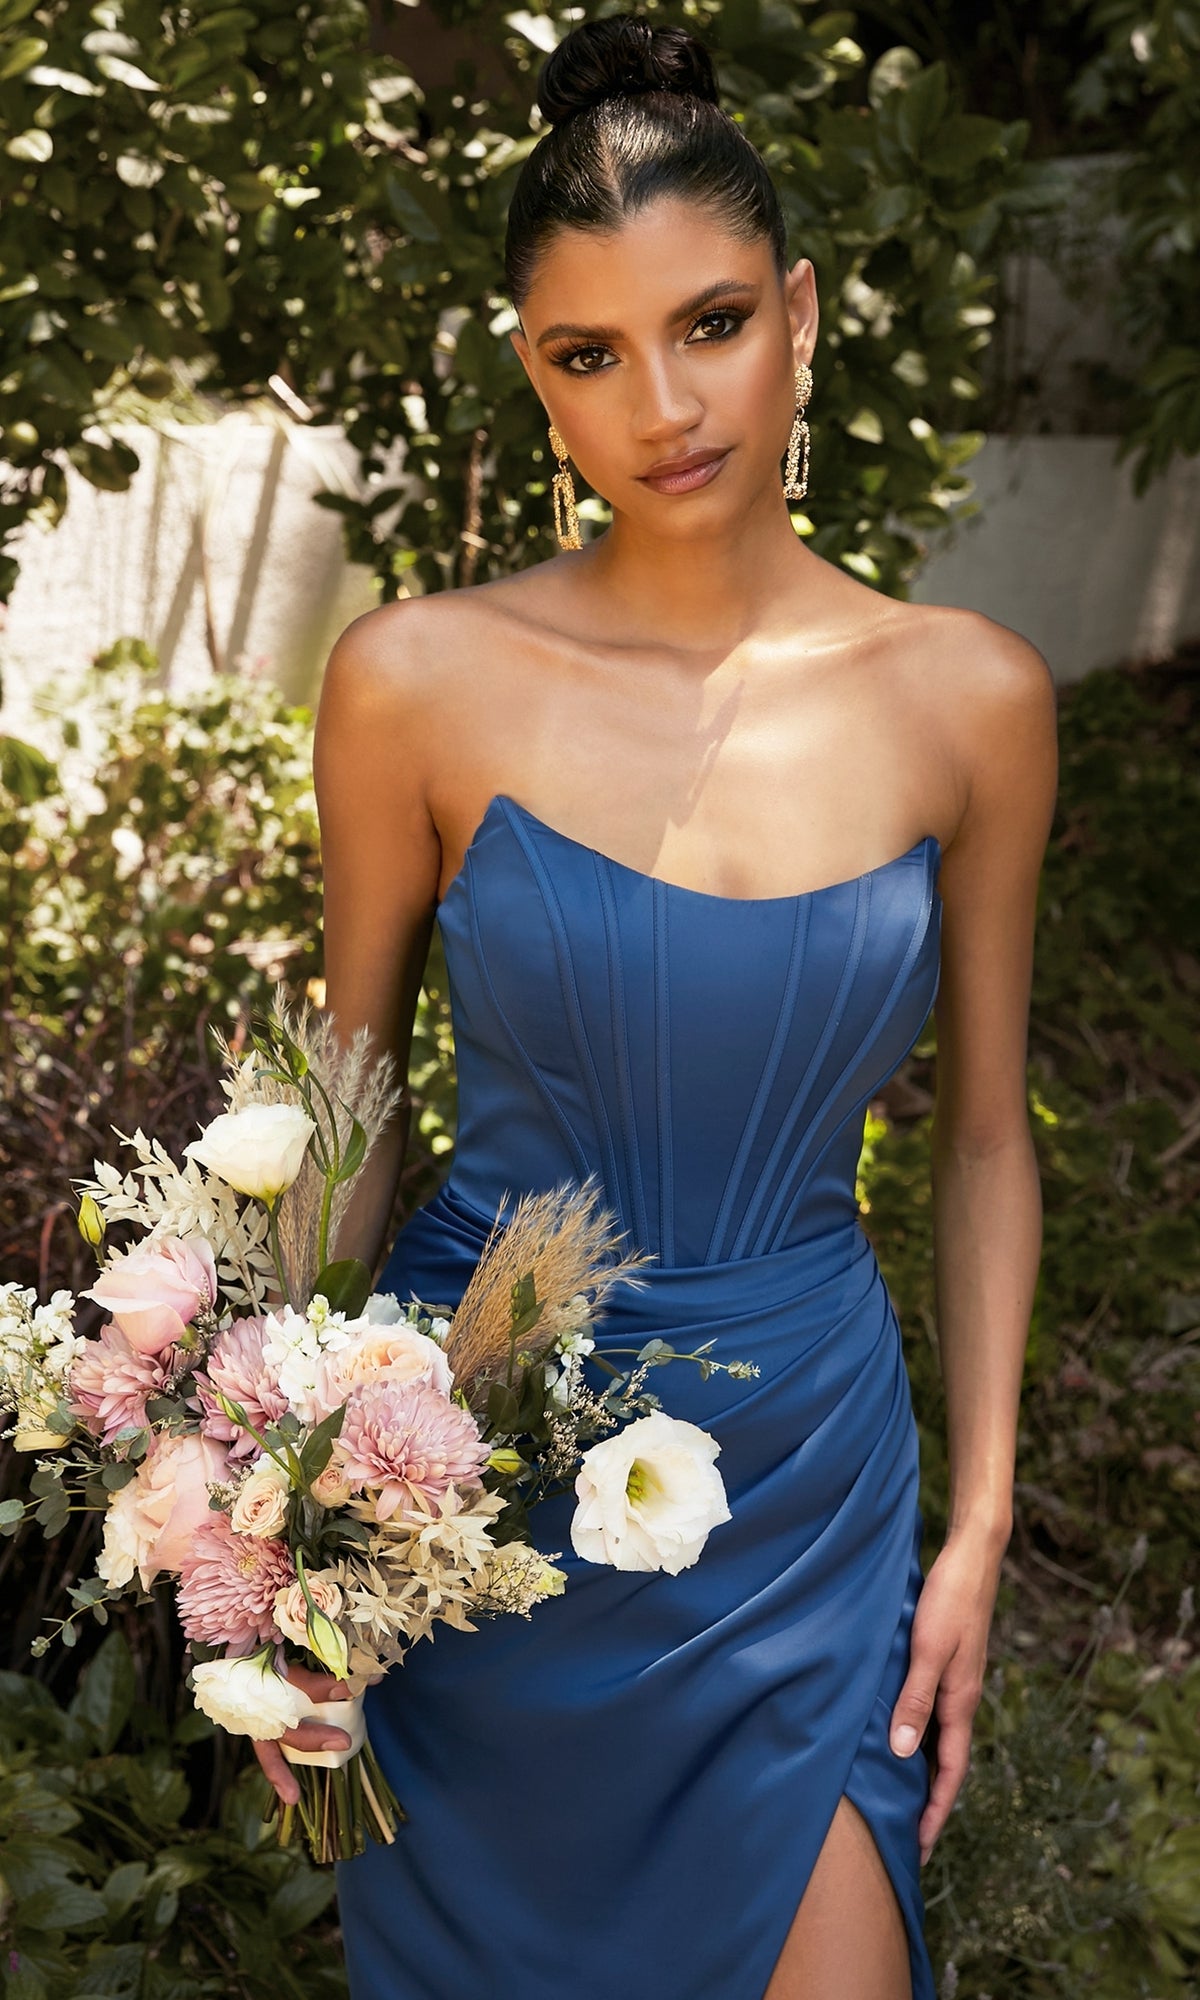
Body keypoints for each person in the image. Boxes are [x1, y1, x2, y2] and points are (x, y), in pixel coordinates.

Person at [252, 16, 1057, 1997]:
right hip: (474, 1471)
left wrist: (978, 1530)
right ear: (531, 375)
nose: (662, 404)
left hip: (806, 1494)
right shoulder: (414, 679)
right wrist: (280, 1529)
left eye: (708, 325)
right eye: (588, 354)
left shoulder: (973, 701)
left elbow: (979, 1133)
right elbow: (347, 1116)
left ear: (798, 313)